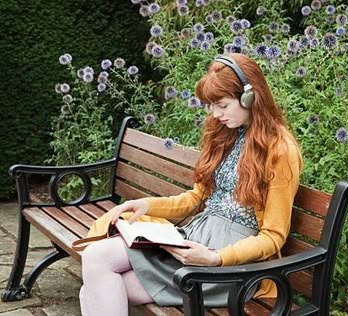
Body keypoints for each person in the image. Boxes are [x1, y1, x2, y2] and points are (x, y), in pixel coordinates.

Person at [79, 53, 303, 315]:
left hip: (233, 263)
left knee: (97, 279)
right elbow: (196, 197)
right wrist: (146, 205)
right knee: (97, 273)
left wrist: (216, 258)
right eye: (211, 106)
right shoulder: (226, 134)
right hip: (193, 240)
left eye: (222, 105)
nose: (215, 114)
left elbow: (274, 235)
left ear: (249, 97)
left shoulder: (280, 150)